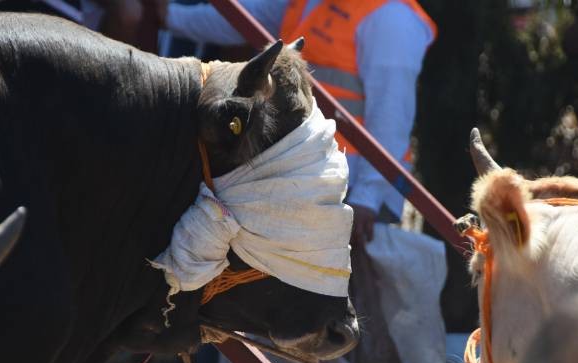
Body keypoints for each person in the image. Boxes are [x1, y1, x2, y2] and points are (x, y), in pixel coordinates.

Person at [157, 0, 436, 246]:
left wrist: (368, 198)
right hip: (303, 167)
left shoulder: (392, 19)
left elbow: (391, 118)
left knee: (333, 291)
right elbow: (246, 15)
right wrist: (169, 15)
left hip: (344, 187)